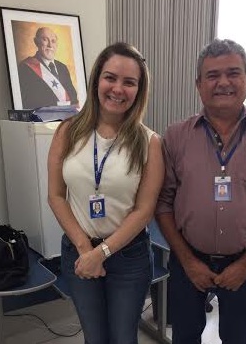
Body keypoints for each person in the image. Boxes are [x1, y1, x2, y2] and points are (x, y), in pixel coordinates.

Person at [155, 39, 246, 344]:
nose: (223, 83)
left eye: (233, 73)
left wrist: (245, 264)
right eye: (212, 75)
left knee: (237, 338)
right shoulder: (176, 136)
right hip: (187, 258)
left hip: (245, 261)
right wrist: (188, 261)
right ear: (198, 84)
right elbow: (163, 203)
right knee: (184, 336)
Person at [48, 42, 164, 344]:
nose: (118, 88)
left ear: (139, 90)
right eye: (110, 77)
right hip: (79, 250)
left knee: (124, 338)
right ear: (97, 79)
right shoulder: (67, 132)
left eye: (129, 82)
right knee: (95, 338)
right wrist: (86, 250)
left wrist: (102, 252)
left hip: (129, 257)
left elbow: (144, 210)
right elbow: (56, 196)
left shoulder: (149, 143)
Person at [18, 27, 78, 109]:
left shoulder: (62, 67)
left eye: (53, 41)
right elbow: (29, 102)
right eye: (45, 40)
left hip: (68, 118)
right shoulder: (25, 68)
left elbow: (73, 97)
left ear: (56, 44)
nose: (50, 45)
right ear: (36, 42)